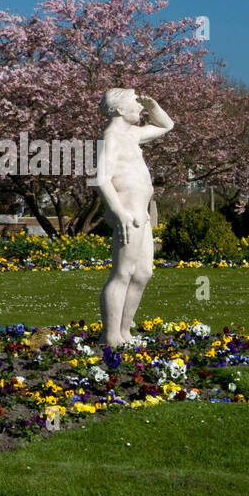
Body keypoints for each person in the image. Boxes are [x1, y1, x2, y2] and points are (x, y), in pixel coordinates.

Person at [94, 88, 173, 346]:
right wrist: (119, 212)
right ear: (118, 109)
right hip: (129, 215)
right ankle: (111, 335)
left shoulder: (132, 135)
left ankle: (125, 331)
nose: (140, 108)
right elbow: (101, 179)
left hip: (141, 215)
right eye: (135, 103)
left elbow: (166, 125)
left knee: (142, 273)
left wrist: (153, 106)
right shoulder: (111, 137)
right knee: (122, 273)